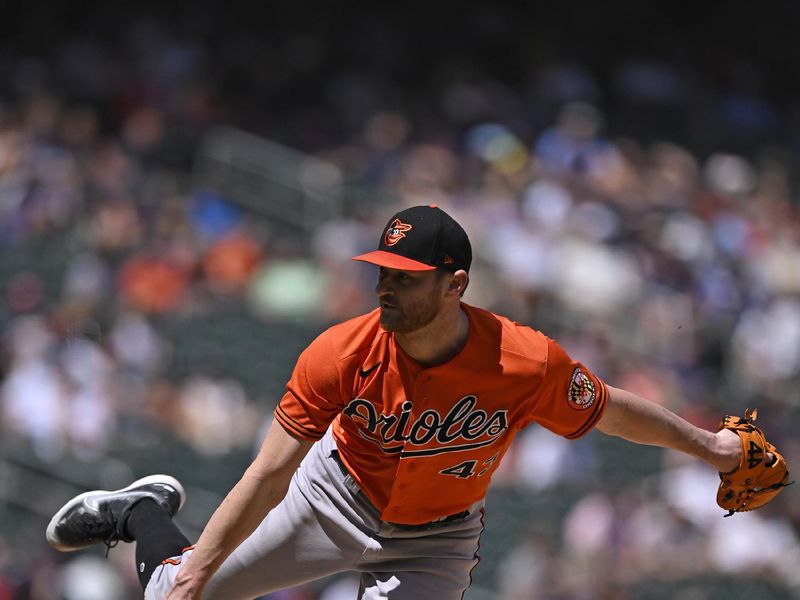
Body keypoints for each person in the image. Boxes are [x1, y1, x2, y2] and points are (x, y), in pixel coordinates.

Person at [46, 205, 744, 600]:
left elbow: (609, 410)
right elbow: (269, 473)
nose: (385, 288)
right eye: (382, 272)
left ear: (455, 284)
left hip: (437, 537)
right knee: (174, 596)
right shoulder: (340, 351)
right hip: (333, 498)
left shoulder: (521, 359)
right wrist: (197, 572)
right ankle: (141, 510)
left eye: (406, 278)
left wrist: (712, 447)